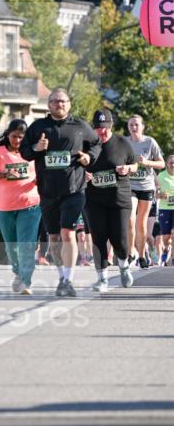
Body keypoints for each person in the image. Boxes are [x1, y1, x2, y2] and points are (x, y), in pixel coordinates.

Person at [20, 88, 100, 298]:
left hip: (74, 189)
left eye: (63, 101)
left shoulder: (80, 126)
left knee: (68, 232)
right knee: (54, 237)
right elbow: (24, 152)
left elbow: (96, 144)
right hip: (47, 191)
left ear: (69, 104)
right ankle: (61, 276)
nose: (59, 104)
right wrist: (37, 148)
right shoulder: (38, 127)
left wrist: (88, 158)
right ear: (49, 105)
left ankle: (68, 279)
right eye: (55, 101)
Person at [0, 118, 41, 295]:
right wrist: (3, 174)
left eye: (21, 137)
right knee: (11, 245)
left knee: (26, 243)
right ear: (8, 135)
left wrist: (41, 180)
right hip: (5, 207)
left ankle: (26, 281)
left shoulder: (32, 152)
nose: (17, 140)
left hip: (30, 205)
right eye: (14, 136)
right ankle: (17, 272)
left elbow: (42, 171)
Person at [84, 109, 137, 293]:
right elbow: (77, 167)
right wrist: (84, 175)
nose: (102, 132)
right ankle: (102, 279)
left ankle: (123, 266)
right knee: (98, 239)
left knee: (120, 238)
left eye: (105, 128)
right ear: (93, 128)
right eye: (98, 128)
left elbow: (135, 164)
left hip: (119, 199)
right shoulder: (87, 145)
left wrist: (127, 169)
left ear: (111, 126)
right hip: (94, 200)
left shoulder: (122, 142)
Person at [125, 114, 165, 268]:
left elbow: (161, 164)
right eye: (131, 125)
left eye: (136, 125)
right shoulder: (125, 142)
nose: (134, 127)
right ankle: (130, 252)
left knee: (141, 224)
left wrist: (146, 162)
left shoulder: (149, 142)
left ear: (142, 127)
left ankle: (142, 256)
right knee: (130, 219)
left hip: (146, 186)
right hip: (130, 186)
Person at [156, 154, 174, 266]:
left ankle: (173, 258)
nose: (173, 164)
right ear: (167, 164)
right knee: (167, 237)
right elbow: (155, 194)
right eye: (171, 162)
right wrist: (161, 194)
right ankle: (167, 248)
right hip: (164, 209)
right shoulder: (161, 176)